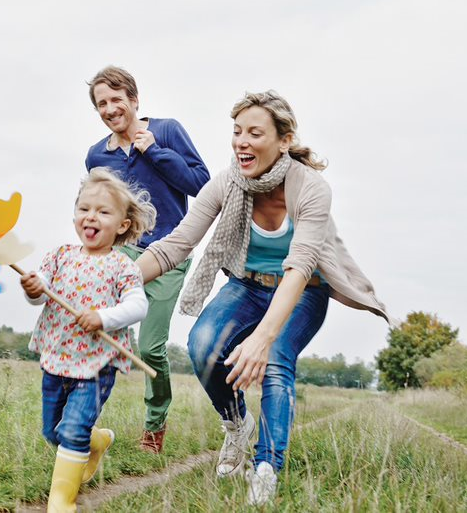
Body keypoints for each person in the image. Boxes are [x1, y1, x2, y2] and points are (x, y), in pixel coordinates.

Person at [136, 91, 392, 505]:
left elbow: (301, 265)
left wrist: (263, 338)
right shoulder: (227, 183)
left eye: (255, 133)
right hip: (247, 285)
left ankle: (266, 467)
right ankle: (237, 424)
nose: (241, 141)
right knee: (203, 346)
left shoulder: (311, 188)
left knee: (275, 362)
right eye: (237, 132)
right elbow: (177, 244)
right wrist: (114, 280)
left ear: (284, 140)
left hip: (303, 290)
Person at [86, 66, 210, 453]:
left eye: (116, 99)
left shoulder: (168, 130)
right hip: (121, 254)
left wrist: (153, 151)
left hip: (170, 253)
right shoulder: (95, 157)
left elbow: (202, 186)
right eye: (101, 103)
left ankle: (155, 426)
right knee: (94, 331)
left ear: (134, 100)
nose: (110, 109)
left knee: (151, 348)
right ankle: (81, 421)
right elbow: (98, 211)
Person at [20, 167, 156, 512]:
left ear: (123, 224)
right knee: (52, 432)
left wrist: (103, 317)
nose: (90, 217)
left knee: (73, 429)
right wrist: (33, 289)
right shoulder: (59, 256)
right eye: (84, 209)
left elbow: (138, 306)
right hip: (57, 357)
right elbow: (40, 296)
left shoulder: (122, 266)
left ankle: (61, 502)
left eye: (103, 211)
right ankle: (97, 441)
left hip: (96, 365)